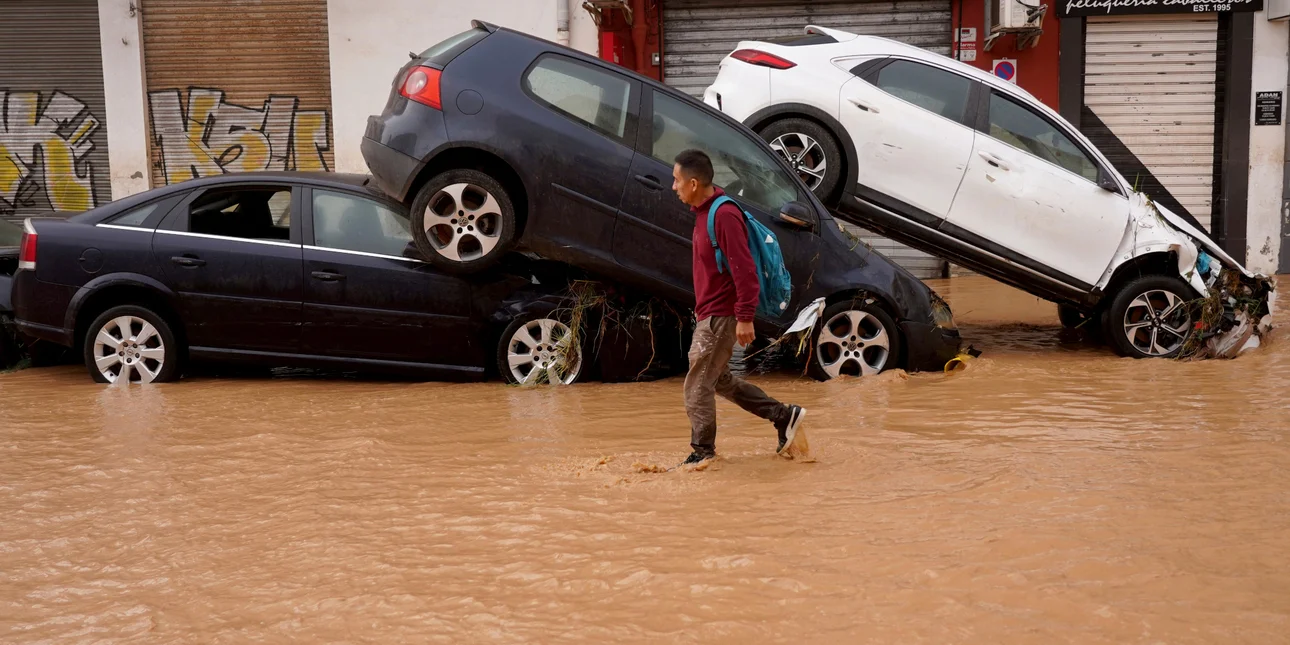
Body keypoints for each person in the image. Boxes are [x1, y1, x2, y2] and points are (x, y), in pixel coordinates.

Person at [672, 148, 806, 467]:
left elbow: (744, 270)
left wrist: (745, 317)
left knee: (697, 382)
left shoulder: (723, 214)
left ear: (693, 183)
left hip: (722, 315)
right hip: (709, 313)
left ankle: (702, 453)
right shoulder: (704, 213)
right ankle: (784, 417)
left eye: (676, 180)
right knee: (718, 381)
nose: (673, 186)